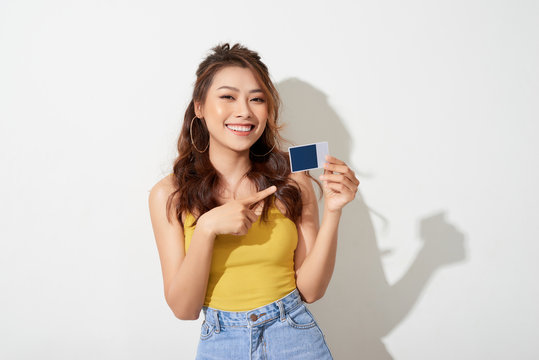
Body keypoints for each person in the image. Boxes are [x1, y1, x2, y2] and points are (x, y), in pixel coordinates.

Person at [148, 42, 359, 360]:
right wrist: (206, 229)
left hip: (295, 337)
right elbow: (184, 309)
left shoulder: (292, 180)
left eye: (257, 99)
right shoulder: (169, 193)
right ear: (199, 107)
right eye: (228, 96)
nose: (244, 111)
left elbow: (312, 290)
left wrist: (334, 210)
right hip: (222, 343)